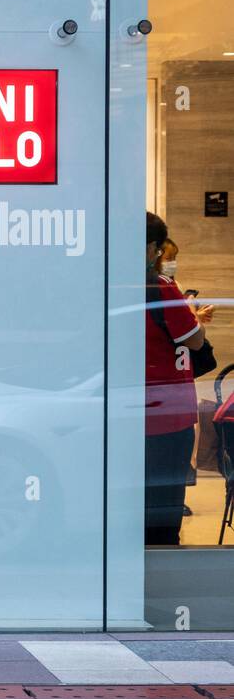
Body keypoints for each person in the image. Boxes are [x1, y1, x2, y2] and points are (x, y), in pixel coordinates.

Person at [144, 214, 207, 545]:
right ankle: (162, 549)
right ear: (153, 248)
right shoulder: (161, 289)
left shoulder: (108, 286)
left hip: (127, 415)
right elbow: (196, 340)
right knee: (165, 495)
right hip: (167, 414)